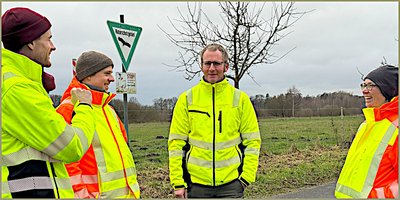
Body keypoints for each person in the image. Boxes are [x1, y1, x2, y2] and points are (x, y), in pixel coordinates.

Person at [2, 7, 95, 198]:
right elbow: (71, 147)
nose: (53, 46)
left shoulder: (21, 84)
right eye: (48, 39)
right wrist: (85, 107)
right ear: (30, 42)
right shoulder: (18, 90)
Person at [168, 43, 261, 198]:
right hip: (196, 186)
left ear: (226, 66)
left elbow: (253, 142)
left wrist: (246, 178)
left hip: (231, 186)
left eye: (217, 63)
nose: (211, 68)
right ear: (201, 65)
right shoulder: (186, 99)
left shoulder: (240, 99)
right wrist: (178, 182)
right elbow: (176, 144)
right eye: (207, 63)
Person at [56, 51, 141, 198]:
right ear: (88, 75)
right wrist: (82, 196)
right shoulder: (68, 109)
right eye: (107, 73)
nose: (112, 79)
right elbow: (64, 162)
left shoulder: (109, 110)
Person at [335, 65, 398, 198]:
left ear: (388, 89)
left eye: (371, 86)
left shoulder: (396, 129)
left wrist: (374, 195)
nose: (364, 91)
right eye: (363, 85)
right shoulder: (366, 125)